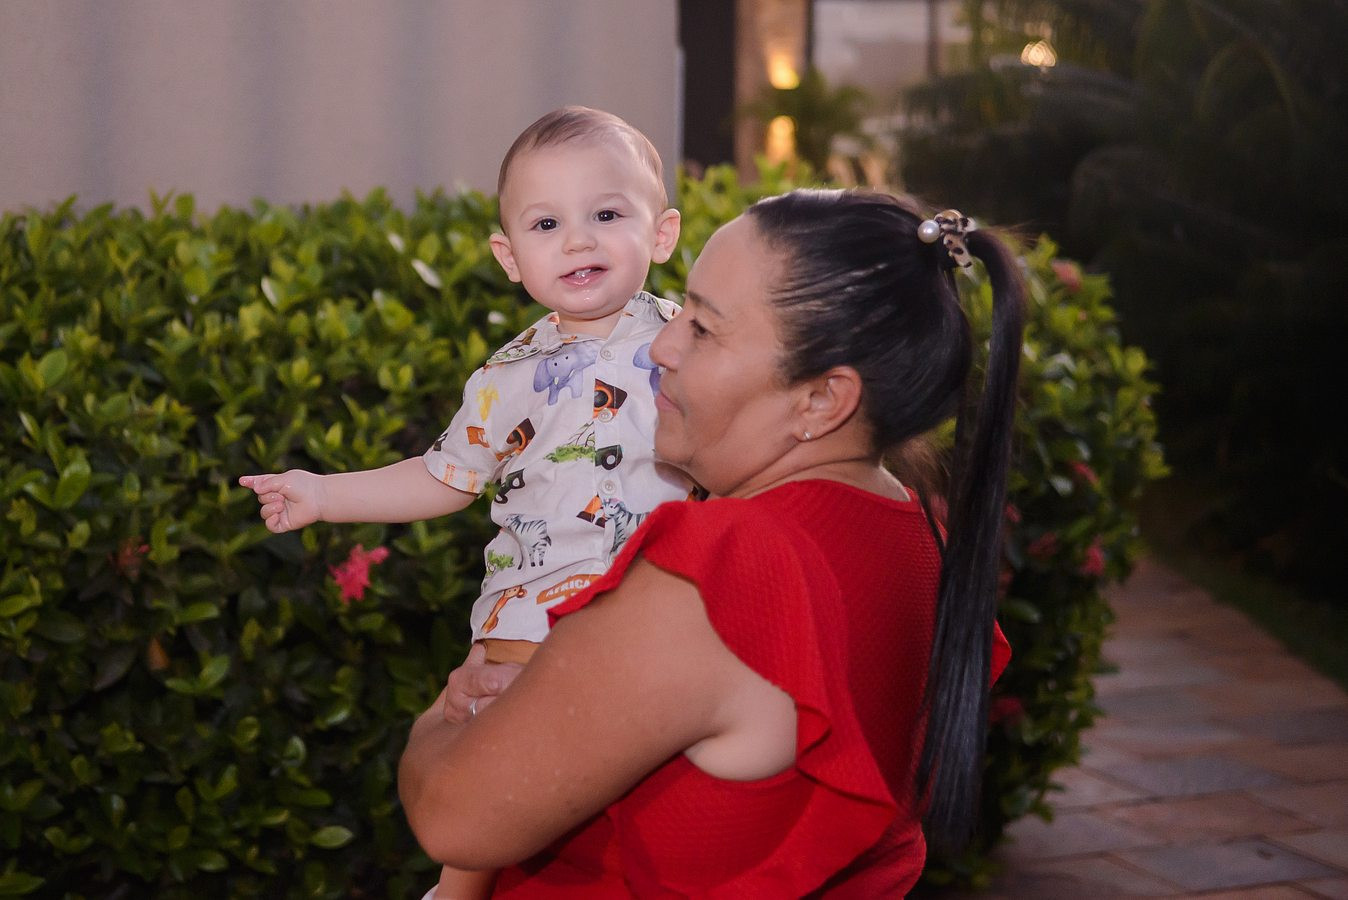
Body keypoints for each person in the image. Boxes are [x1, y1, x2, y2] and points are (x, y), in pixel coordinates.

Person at [398, 188, 1025, 896]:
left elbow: (454, 815)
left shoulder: (725, 569)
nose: (660, 345)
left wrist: (451, 715)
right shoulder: (916, 537)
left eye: (702, 327)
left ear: (822, 398)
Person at [239, 106, 691, 899]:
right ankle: (457, 887)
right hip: (529, 622)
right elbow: (443, 477)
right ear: (509, 256)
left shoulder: (686, 346)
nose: (577, 240)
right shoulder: (505, 377)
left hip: (658, 613)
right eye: (547, 224)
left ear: (661, 234)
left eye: (606, 215)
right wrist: (323, 493)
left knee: (651, 794)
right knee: (493, 753)